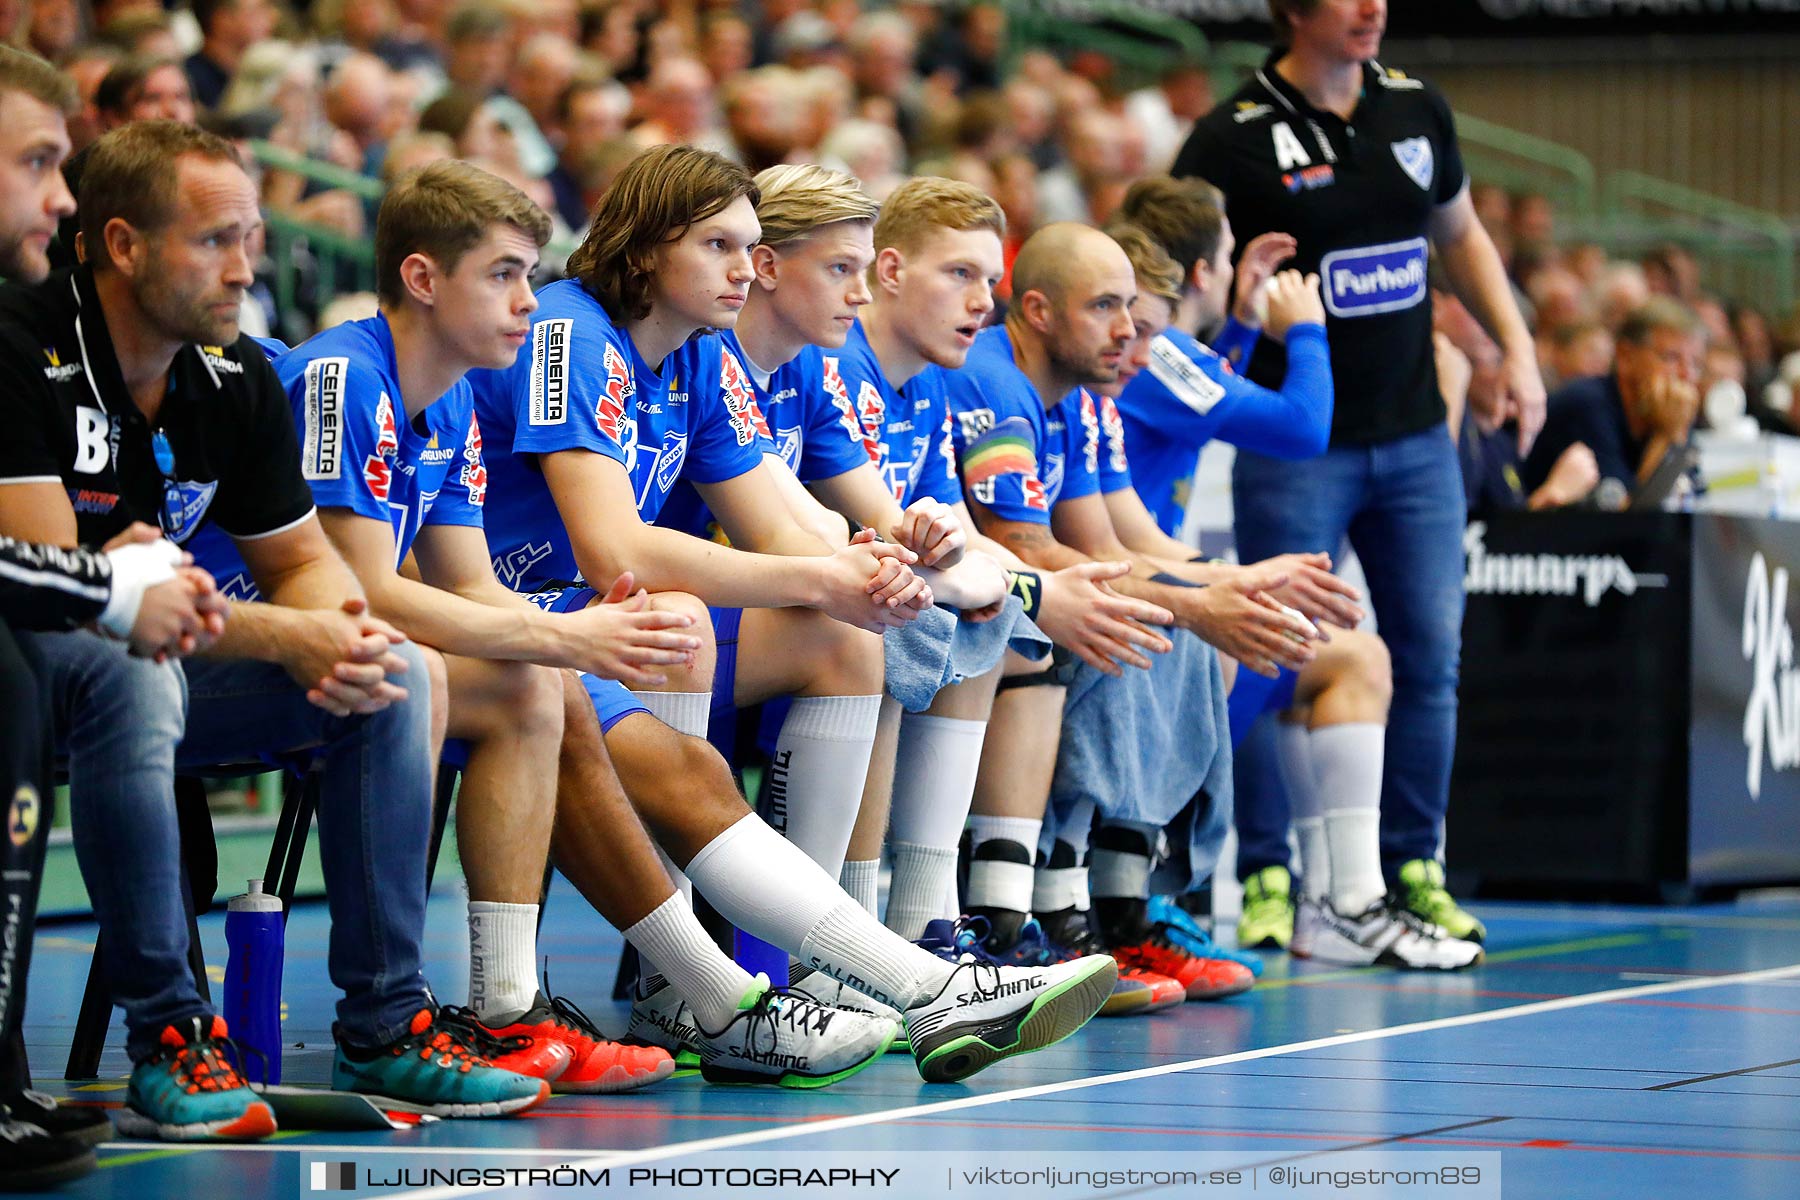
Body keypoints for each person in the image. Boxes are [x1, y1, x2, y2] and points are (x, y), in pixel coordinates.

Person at [468, 144, 1118, 1084]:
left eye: (751, 246)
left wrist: (872, 575)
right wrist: (830, 577)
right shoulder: (573, 329)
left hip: (606, 621)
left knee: (833, 637)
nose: (744, 267)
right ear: (649, 251)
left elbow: (783, 523)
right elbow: (618, 552)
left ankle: (808, 973)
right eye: (724, 247)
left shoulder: (692, 353)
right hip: (519, 624)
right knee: (686, 618)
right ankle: (878, 985)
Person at [0, 119, 548, 1141]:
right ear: (123, 245)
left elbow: (303, 566)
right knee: (134, 675)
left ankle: (389, 1023)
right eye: (215, 241)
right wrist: (284, 640)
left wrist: (339, 635)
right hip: (37, 677)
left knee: (398, 670)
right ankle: (170, 1036)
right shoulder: (24, 345)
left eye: (251, 237)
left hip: (175, 648)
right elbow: (54, 599)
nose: (245, 269)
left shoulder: (233, 376)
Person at [191, 160, 693, 1093]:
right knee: (469, 671)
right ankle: (394, 1021)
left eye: (532, 278)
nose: (528, 305)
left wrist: (564, 627)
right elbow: (361, 595)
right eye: (503, 274)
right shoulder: (342, 377)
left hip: (340, 652)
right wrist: (561, 636)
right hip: (229, 647)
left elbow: (469, 582)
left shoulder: (455, 389)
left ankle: (506, 1007)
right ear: (422, 279)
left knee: (529, 686)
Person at [1173, 0, 1545, 946]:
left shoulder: (1417, 108)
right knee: (1269, 647)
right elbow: (1181, 273)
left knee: (1430, 655)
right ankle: (1264, 875)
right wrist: (1234, 322)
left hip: (1417, 437)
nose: (1374, 6)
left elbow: (1459, 237)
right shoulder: (1231, 136)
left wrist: (1515, 347)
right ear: (1294, 10)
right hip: (1297, 444)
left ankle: (1413, 866)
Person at [945, 222, 1325, 1000]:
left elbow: (1106, 544)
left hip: (1008, 591)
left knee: (1168, 622)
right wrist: (1191, 605)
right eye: (1108, 309)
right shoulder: (995, 382)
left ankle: (1124, 910)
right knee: (1130, 624)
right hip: (968, 603)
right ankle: (1043, 912)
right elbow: (1032, 549)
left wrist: (1225, 584)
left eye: (1136, 313)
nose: (1131, 335)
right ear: (1041, 312)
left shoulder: (1081, 404)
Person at [1096, 224, 1479, 970]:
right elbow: (1302, 427)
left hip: (1160, 585)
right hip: (1136, 609)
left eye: (1144, 329)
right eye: (1127, 326)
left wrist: (1230, 579)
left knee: (1347, 655)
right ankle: (1155, 899)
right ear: (1202, 270)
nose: (1136, 347)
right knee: (1245, 647)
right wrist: (1304, 331)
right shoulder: (1151, 361)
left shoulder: (1154, 365)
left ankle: (1338, 903)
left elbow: (1210, 388)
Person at [0, 46, 222, 1185]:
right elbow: (36, 563)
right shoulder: (24, 335)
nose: (61, 197)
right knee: (35, 664)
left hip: (154, 639)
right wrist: (112, 582)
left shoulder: (240, 380)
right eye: (38, 161)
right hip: (79, 632)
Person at [1520, 299, 1704, 503]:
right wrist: (1666, 436)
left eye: (1696, 364)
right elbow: (1625, 522)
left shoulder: (1671, 410)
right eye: (1671, 358)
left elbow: (1694, 500)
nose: (1686, 375)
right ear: (1625, 357)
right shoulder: (1586, 404)